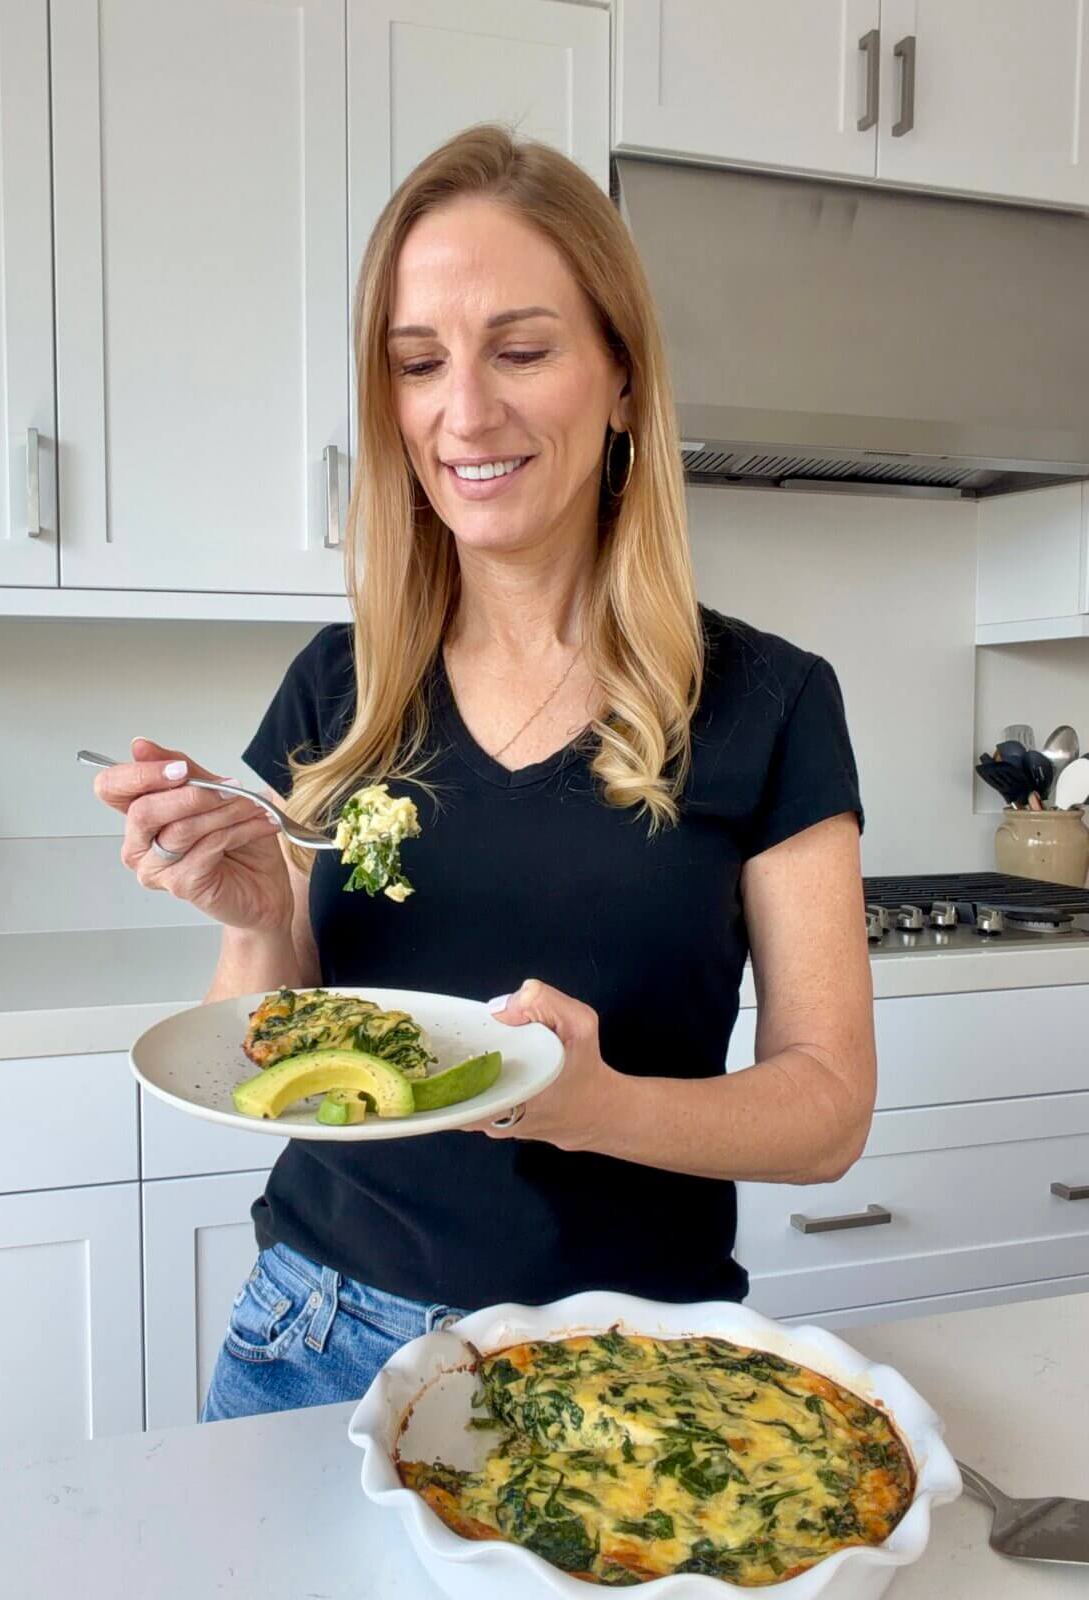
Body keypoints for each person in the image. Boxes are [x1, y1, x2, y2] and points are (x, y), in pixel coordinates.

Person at [94, 124, 875, 1424]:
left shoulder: (773, 705)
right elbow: (261, 1046)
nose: (465, 410)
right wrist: (261, 919)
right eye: (418, 363)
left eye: (522, 350)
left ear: (622, 376)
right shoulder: (336, 690)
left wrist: (592, 1106)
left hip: (632, 1364)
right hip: (320, 1334)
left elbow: (826, 1112)